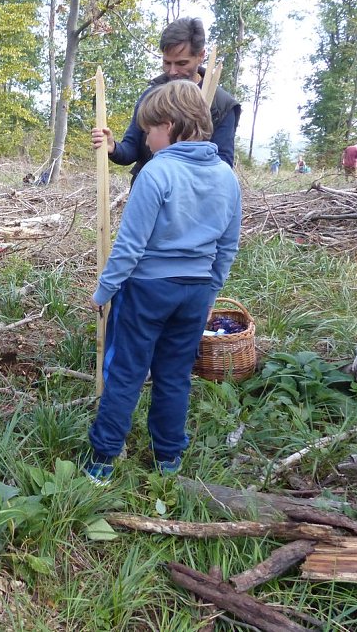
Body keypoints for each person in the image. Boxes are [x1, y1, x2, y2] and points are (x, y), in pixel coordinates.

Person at [82, 80, 241, 485]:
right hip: (195, 293)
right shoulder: (226, 176)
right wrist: (211, 292)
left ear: (168, 126)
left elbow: (130, 246)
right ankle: (168, 458)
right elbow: (227, 245)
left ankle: (102, 460)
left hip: (147, 291)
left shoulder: (156, 172)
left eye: (148, 131)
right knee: (174, 376)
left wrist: (104, 291)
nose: (146, 141)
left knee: (126, 372)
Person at [92, 17, 241, 189]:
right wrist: (113, 147)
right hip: (148, 192)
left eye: (182, 63)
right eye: (167, 63)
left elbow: (223, 165)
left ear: (201, 56)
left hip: (189, 200)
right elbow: (132, 149)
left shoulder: (221, 105)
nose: (173, 71)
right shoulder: (152, 96)